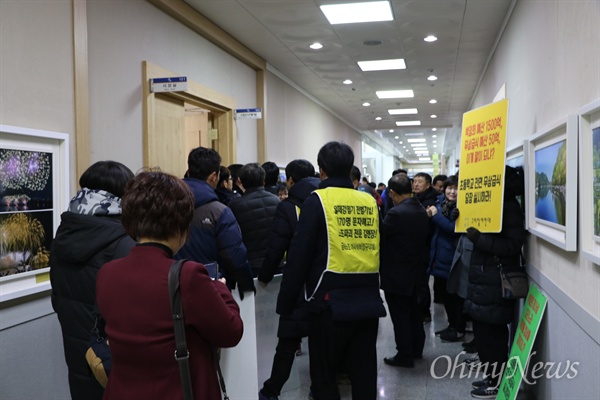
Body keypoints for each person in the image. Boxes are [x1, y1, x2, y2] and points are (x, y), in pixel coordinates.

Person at [96, 170, 243, 399]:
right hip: (177, 391)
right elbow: (231, 332)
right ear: (180, 225)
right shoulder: (187, 276)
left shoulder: (107, 273)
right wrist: (221, 288)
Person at [277, 142, 385, 400]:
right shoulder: (368, 201)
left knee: (324, 377)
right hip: (368, 302)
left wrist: (286, 303)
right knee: (364, 373)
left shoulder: (318, 200)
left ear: (321, 170)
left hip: (329, 305)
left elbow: (299, 254)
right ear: (350, 169)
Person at [49, 161, 135, 400]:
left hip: (76, 350)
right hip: (114, 357)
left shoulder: (64, 232)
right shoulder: (123, 241)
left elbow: (57, 296)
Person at [257, 159, 320, 400]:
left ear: (291, 180)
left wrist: (264, 277)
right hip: (323, 283)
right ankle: (318, 388)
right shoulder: (325, 201)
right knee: (320, 342)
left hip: (296, 284)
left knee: (286, 345)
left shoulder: (288, 207)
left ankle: (271, 391)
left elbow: (276, 247)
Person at [463, 166, 526, 398]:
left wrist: (480, 239)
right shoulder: (489, 204)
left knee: (493, 336)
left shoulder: (507, 205)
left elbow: (512, 246)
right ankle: (492, 377)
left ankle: (497, 382)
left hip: (495, 281)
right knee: (484, 335)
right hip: (483, 279)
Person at [175, 147, 255, 296]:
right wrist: (247, 285)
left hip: (173, 286)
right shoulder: (219, 212)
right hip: (210, 289)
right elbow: (235, 254)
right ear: (213, 176)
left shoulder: (166, 205)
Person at [380, 173, 429, 368]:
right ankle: (417, 349)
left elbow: (382, 238)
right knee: (414, 313)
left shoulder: (395, 213)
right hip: (416, 272)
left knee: (400, 316)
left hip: (397, 274)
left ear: (392, 193)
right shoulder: (420, 209)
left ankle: (404, 355)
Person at [426, 175, 464, 341]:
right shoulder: (441, 203)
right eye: (449, 188)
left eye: (456, 188)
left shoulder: (461, 207)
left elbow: (452, 229)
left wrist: (435, 216)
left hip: (452, 257)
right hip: (439, 255)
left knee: (455, 296)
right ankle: (451, 325)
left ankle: (459, 329)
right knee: (446, 296)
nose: (452, 191)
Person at [230, 162, 280, 277]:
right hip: (275, 262)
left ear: (241, 182)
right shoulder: (276, 201)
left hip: (250, 263)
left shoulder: (236, 205)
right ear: (263, 181)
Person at [413, 172, 438, 323]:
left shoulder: (430, 201)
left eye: (419, 182)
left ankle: (424, 312)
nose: (416, 184)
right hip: (420, 247)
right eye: (414, 181)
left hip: (426, 247)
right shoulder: (417, 198)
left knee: (422, 281)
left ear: (428, 185)